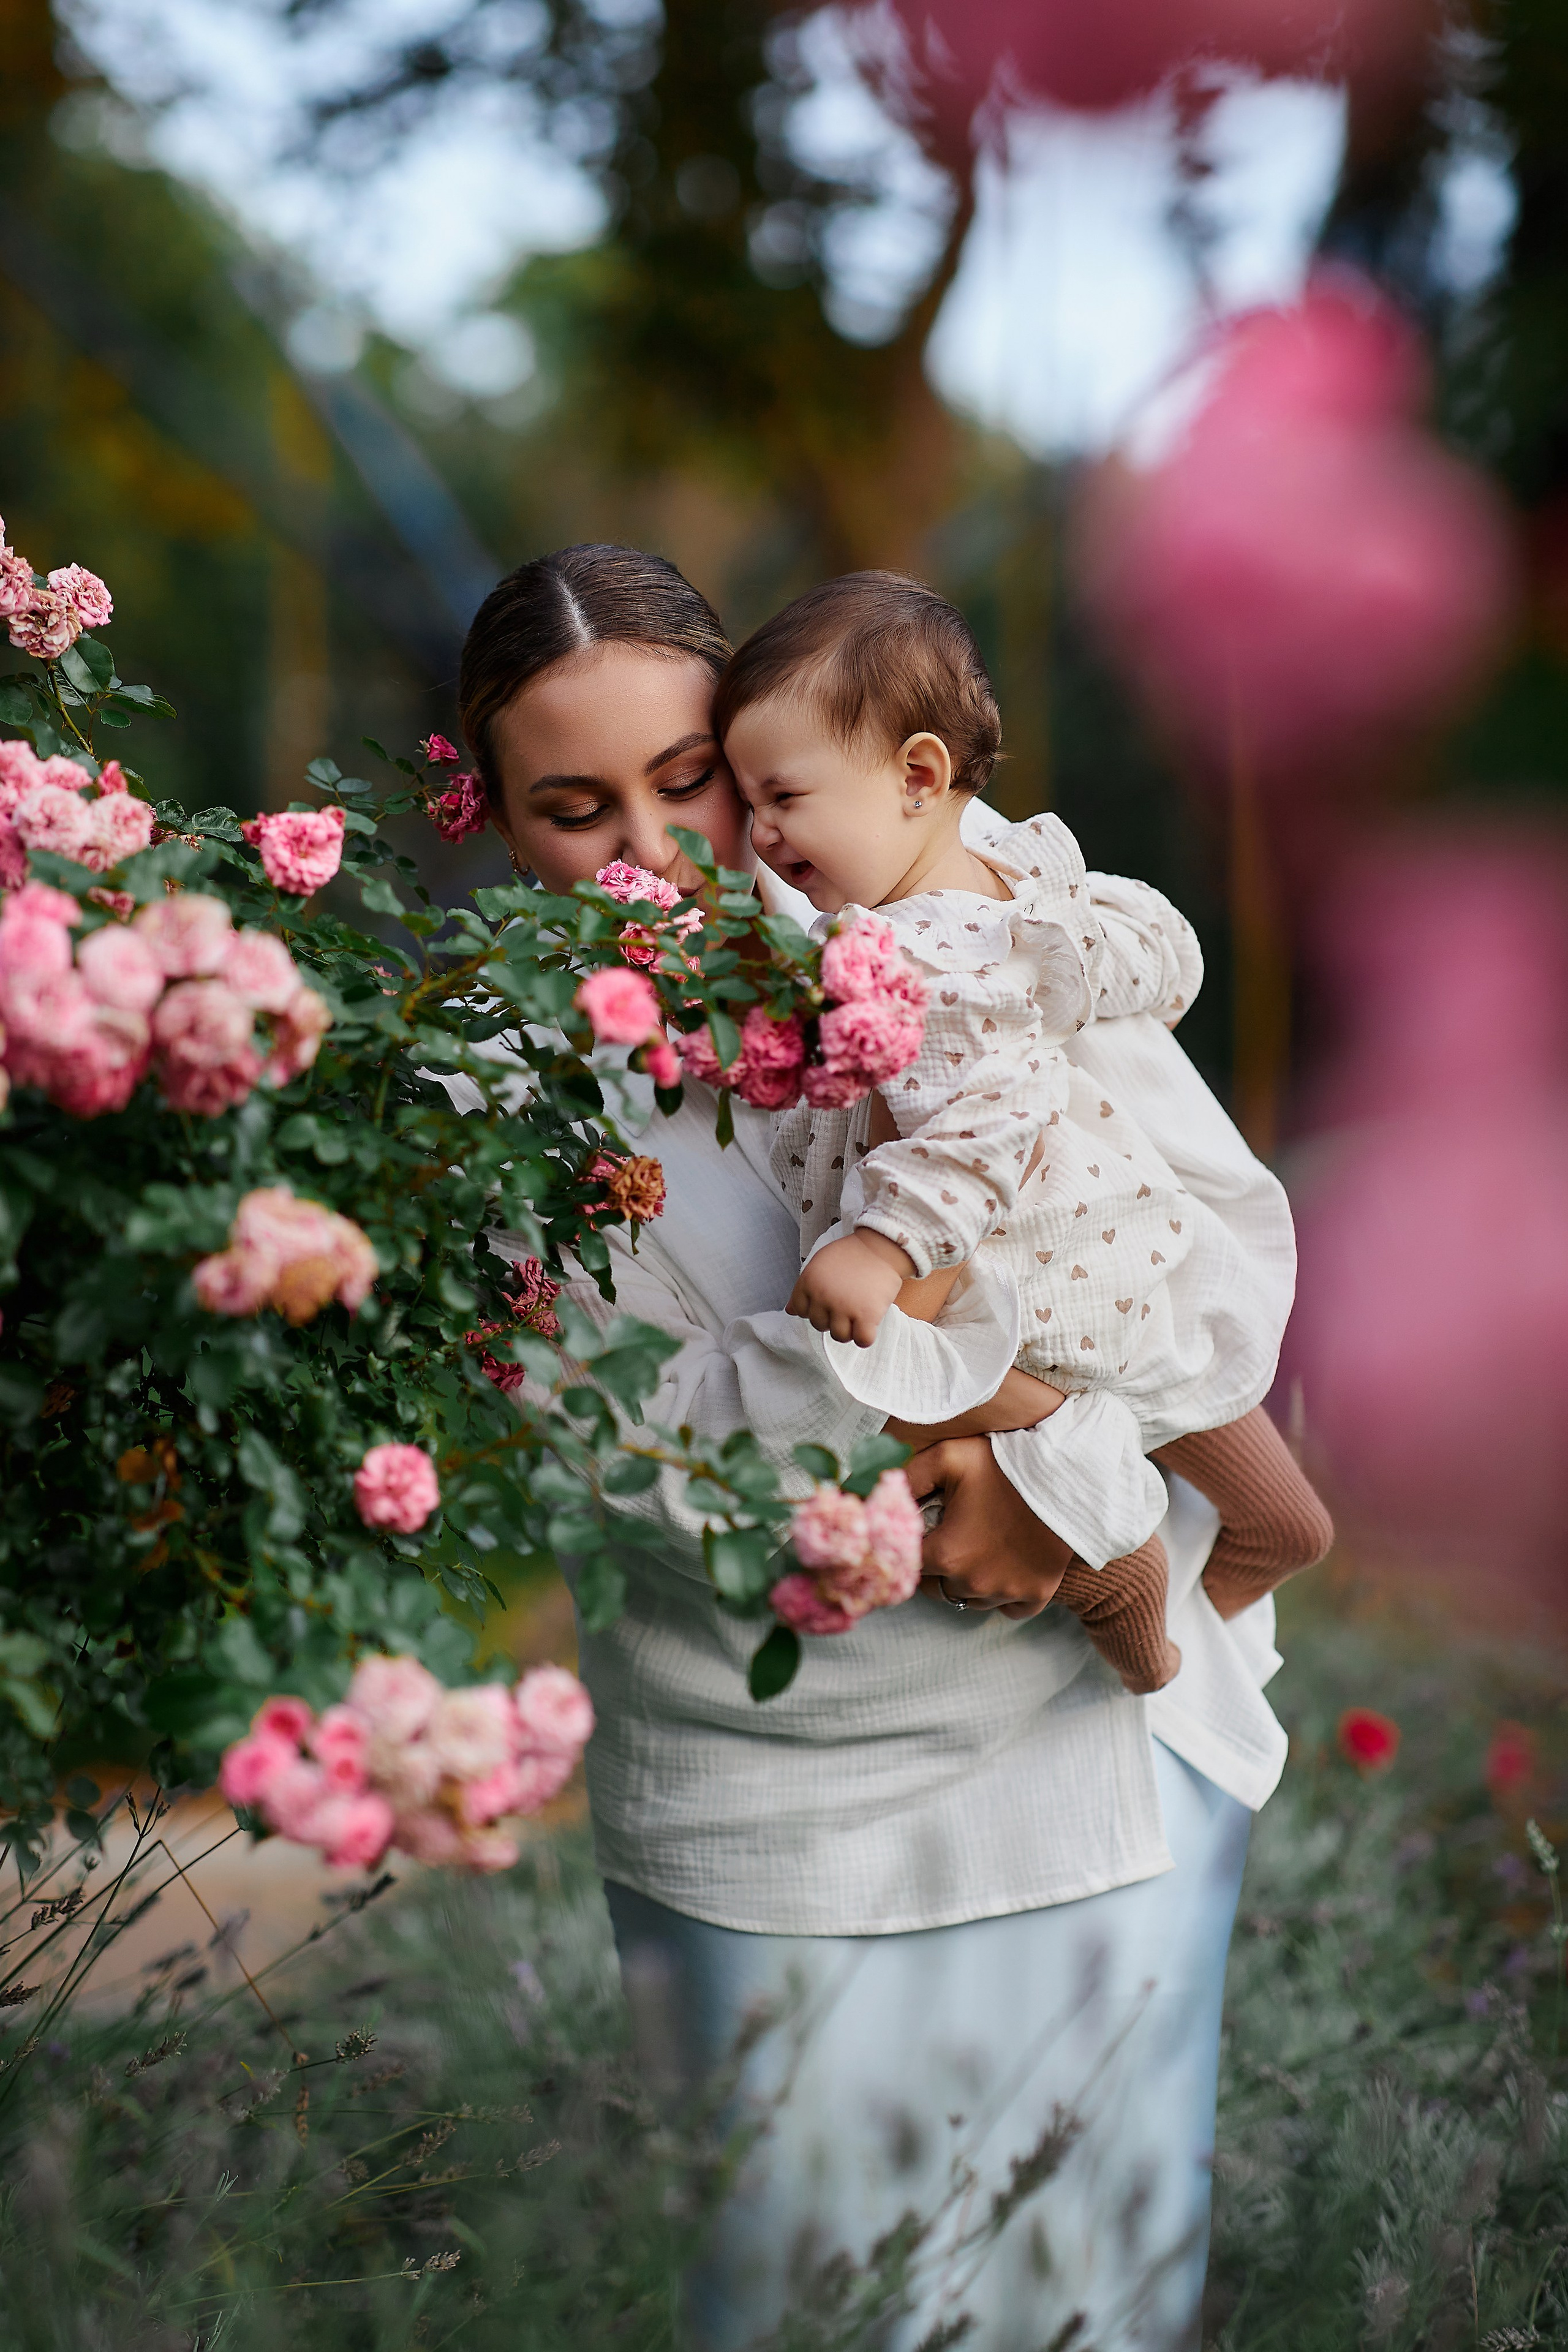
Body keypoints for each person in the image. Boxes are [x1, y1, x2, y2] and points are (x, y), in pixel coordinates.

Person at [452, 541, 1300, 2350]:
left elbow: (1212, 1255)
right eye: (573, 808)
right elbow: (638, 1460)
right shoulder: (481, 1102)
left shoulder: (955, 930)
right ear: (498, 821)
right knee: (805, 2307)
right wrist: (987, 1417)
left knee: (1093, 2299)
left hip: (1100, 1759)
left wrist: (1059, 1464)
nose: (658, 852)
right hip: (766, 1813)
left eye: (692, 783)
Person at [711, 570, 1332, 1697]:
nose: (759, 833)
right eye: (748, 803)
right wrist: (890, 1245)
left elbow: (990, 1113)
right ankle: (1206, 1623)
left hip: (1066, 1282)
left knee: (1274, 1524)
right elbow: (1122, 990)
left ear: (916, 776)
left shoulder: (941, 936)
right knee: (1210, 1533)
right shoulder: (970, 913)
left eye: (783, 798)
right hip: (1072, 1279)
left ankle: (1168, 1621)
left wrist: (883, 1246)